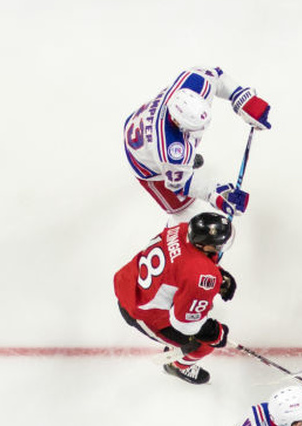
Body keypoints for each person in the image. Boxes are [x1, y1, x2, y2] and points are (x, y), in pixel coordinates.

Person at [124, 66, 271, 219]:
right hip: (143, 160)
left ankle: (185, 164)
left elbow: (216, 76)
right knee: (185, 211)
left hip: (142, 121)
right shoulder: (170, 152)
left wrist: (241, 97)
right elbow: (180, 184)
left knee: (182, 161)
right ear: (176, 122)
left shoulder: (194, 83)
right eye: (193, 129)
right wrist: (214, 193)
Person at [114, 212, 237, 385]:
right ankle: (177, 366)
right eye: (218, 244)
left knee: (193, 301)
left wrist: (218, 274)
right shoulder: (200, 276)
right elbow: (185, 324)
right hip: (138, 310)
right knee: (203, 344)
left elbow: (183, 263)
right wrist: (213, 333)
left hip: (128, 280)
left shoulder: (180, 230)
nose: (221, 246)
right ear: (203, 244)